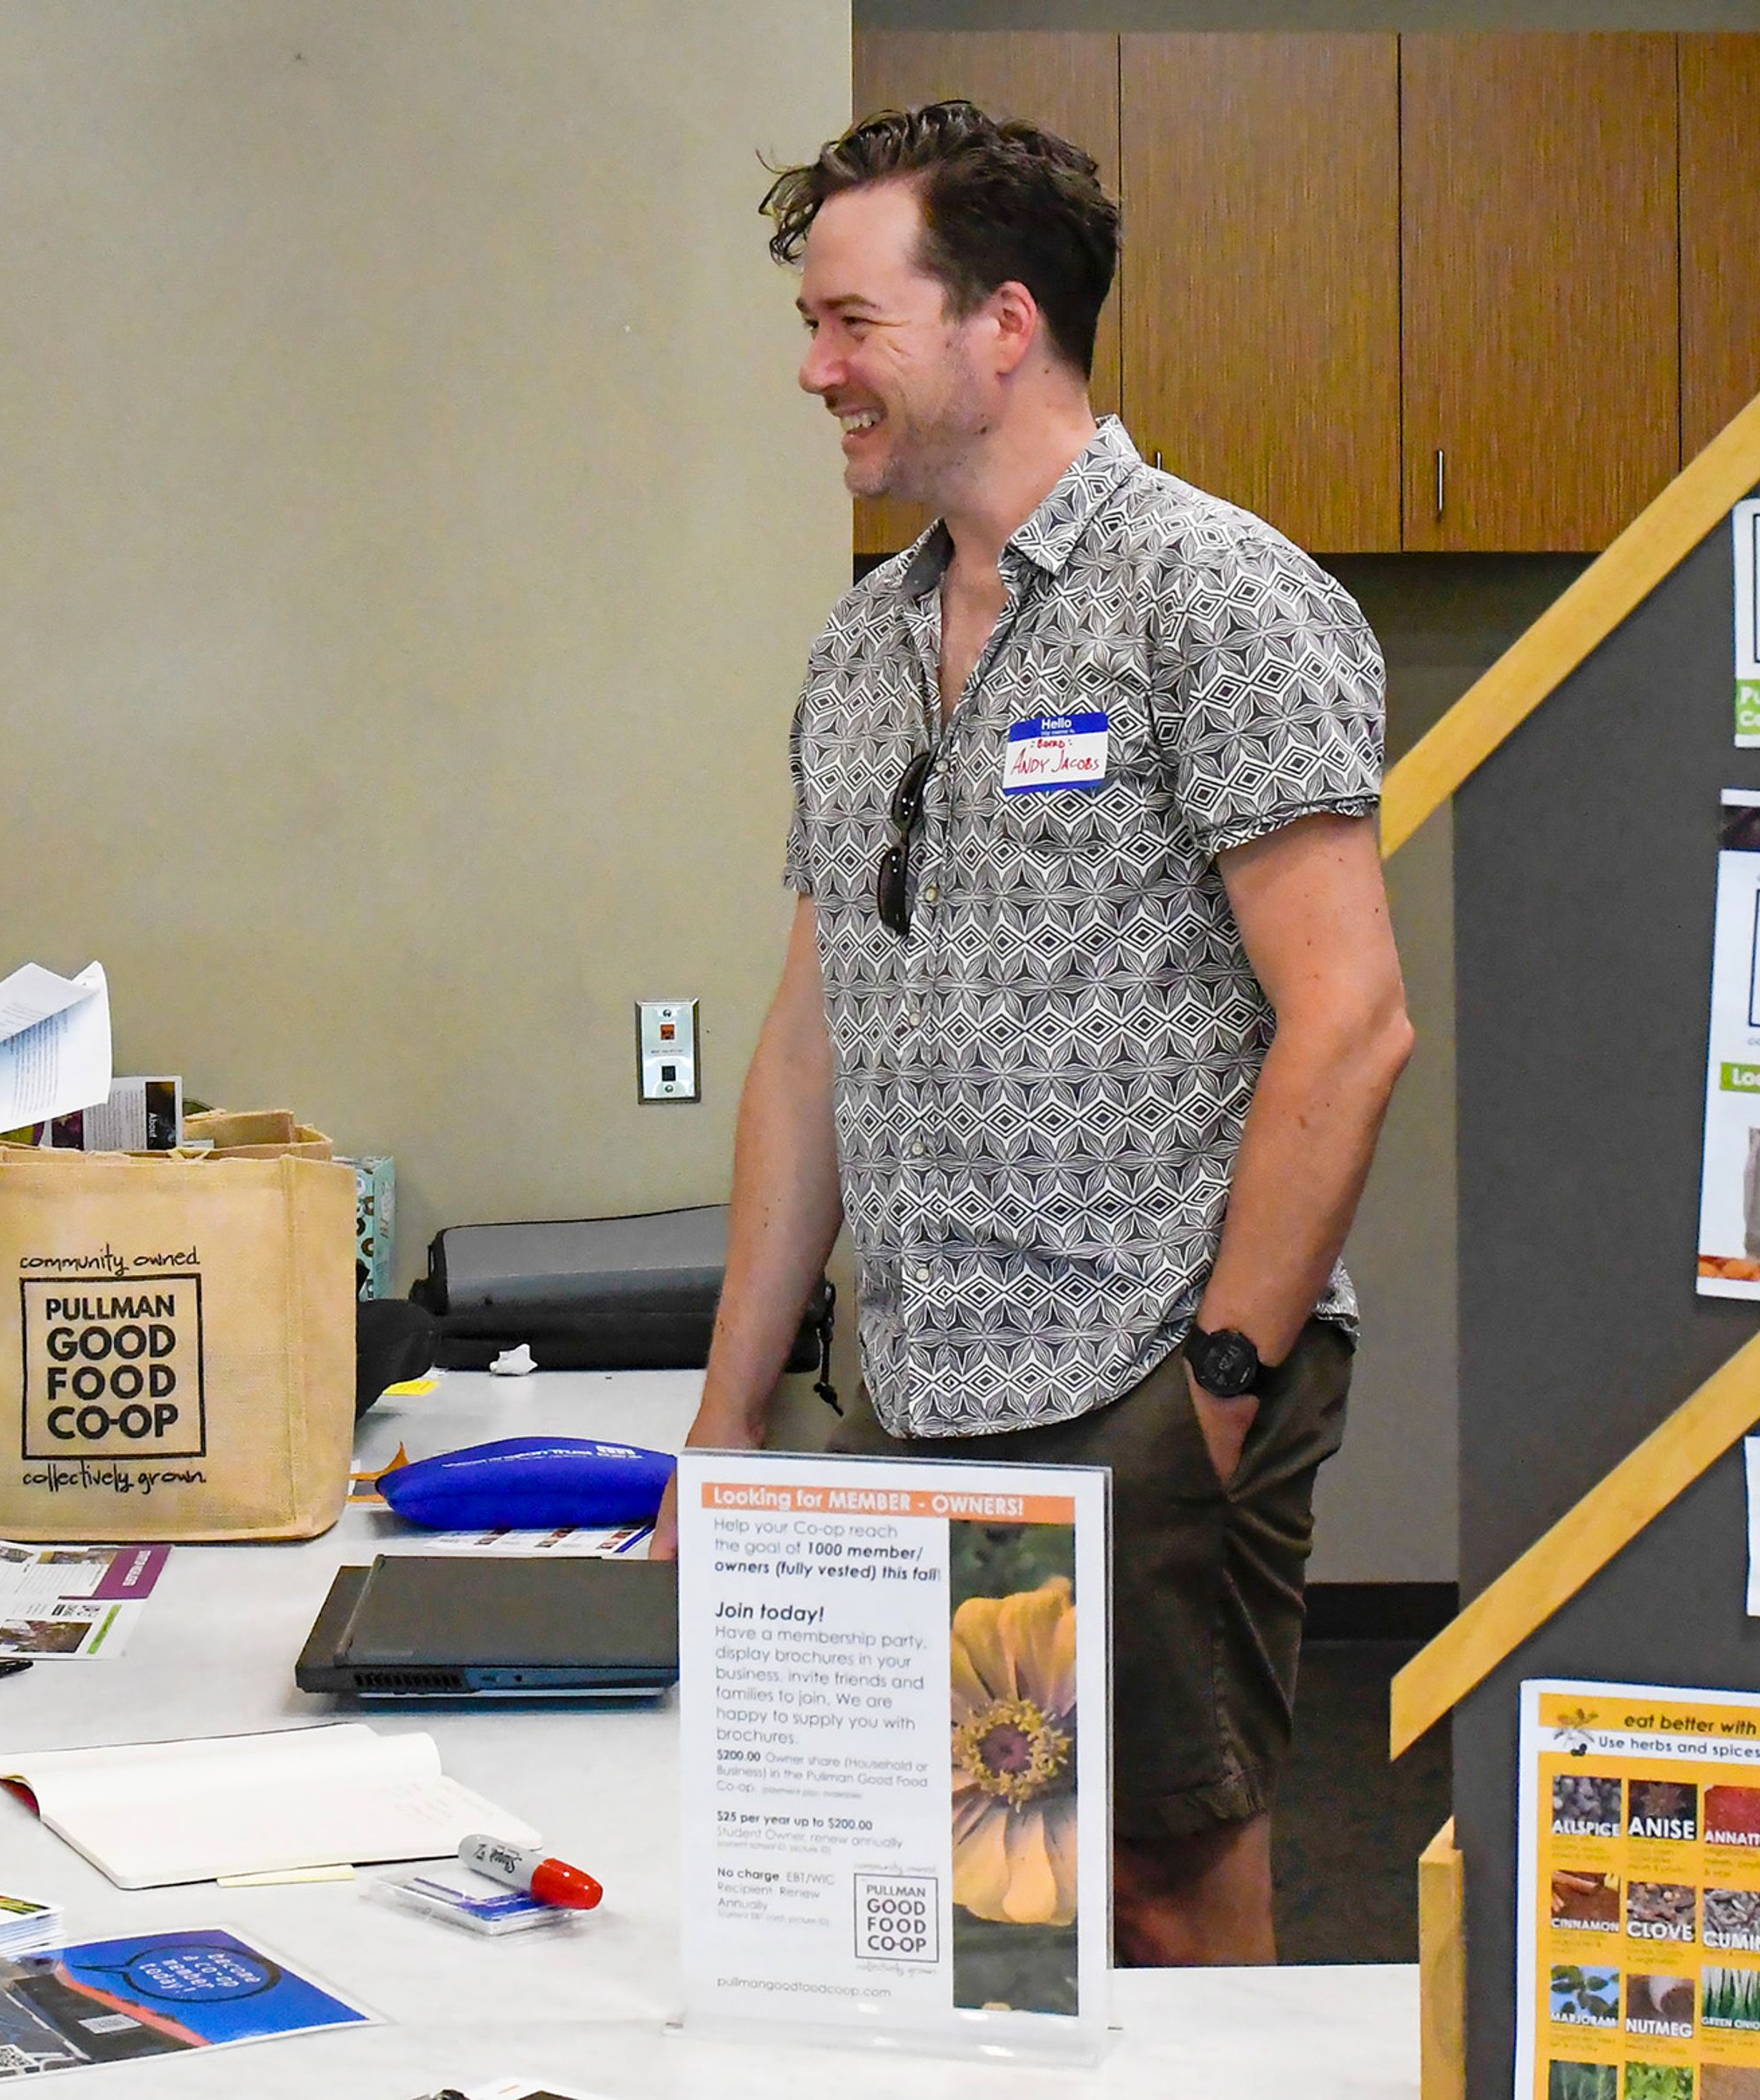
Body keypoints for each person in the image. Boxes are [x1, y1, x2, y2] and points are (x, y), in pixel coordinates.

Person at [653, 104, 1416, 1966]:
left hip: (1138, 1379)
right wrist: (730, 1408)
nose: (816, 367)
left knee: (1159, 1882)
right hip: (930, 1394)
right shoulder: (864, 648)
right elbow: (812, 1043)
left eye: (853, 322)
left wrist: (1219, 1387)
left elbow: (1354, 1021)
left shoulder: (1212, 596)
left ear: (1005, 323)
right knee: (1009, 1899)